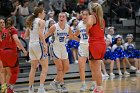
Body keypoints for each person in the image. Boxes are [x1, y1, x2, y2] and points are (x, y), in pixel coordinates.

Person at [45, 12, 73, 93]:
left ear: (65, 18)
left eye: (63, 16)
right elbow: (45, 36)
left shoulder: (68, 27)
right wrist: (41, 43)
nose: (61, 18)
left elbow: (71, 36)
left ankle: (54, 82)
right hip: (54, 47)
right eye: (60, 16)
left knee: (66, 67)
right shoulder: (54, 27)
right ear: (58, 18)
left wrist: (79, 38)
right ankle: (61, 84)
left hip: (63, 47)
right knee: (60, 68)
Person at [0, 17, 27, 93]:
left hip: (3, 53)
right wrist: (23, 49)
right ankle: (9, 89)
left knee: (8, 73)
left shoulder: (4, 31)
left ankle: (6, 89)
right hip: (10, 52)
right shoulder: (13, 30)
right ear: (14, 22)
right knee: (14, 72)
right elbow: (16, 39)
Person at [25, 7, 48, 93]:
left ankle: (30, 89)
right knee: (45, 67)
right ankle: (41, 88)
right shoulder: (41, 21)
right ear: (40, 13)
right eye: (44, 12)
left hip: (31, 44)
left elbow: (25, 36)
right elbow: (40, 34)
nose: (45, 13)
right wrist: (45, 44)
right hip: (38, 44)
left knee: (33, 68)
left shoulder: (31, 21)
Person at [86, 3, 106, 93]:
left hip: (94, 44)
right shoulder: (102, 19)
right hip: (102, 44)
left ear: (91, 9)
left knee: (96, 69)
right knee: (96, 68)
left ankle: (99, 88)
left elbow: (89, 24)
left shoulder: (92, 16)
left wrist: (87, 31)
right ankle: (97, 88)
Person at [74, 9, 89, 92]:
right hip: (82, 47)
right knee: (81, 67)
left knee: (94, 67)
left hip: (91, 47)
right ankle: (83, 84)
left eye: (86, 14)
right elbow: (75, 35)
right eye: (83, 14)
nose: (85, 16)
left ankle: (94, 84)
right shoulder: (79, 24)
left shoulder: (91, 24)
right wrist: (80, 41)